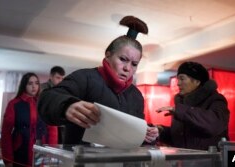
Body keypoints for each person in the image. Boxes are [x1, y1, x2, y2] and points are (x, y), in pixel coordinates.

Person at [37, 16, 159, 146]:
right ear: (108, 55)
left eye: (134, 64)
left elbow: (136, 130)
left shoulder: (136, 96)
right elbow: (47, 98)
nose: (127, 68)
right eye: (123, 59)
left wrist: (148, 133)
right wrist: (66, 106)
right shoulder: (85, 78)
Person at [156, 61, 230, 150]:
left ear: (197, 82)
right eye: (178, 79)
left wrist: (181, 111)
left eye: (182, 79)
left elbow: (214, 125)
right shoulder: (181, 106)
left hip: (209, 161)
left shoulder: (216, 100)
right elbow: (180, 138)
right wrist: (160, 131)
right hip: (185, 161)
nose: (178, 83)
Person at [1, 72, 58, 167]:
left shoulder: (44, 103)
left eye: (36, 83)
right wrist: (8, 159)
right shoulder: (14, 104)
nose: (34, 86)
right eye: (30, 83)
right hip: (20, 150)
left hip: (41, 150)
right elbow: (6, 133)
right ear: (24, 85)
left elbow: (52, 130)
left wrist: (51, 155)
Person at [41, 66, 66, 144]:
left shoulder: (63, 90)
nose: (60, 81)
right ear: (51, 76)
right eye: (58, 78)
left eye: (62, 78)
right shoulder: (42, 89)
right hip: (45, 125)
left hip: (60, 126)